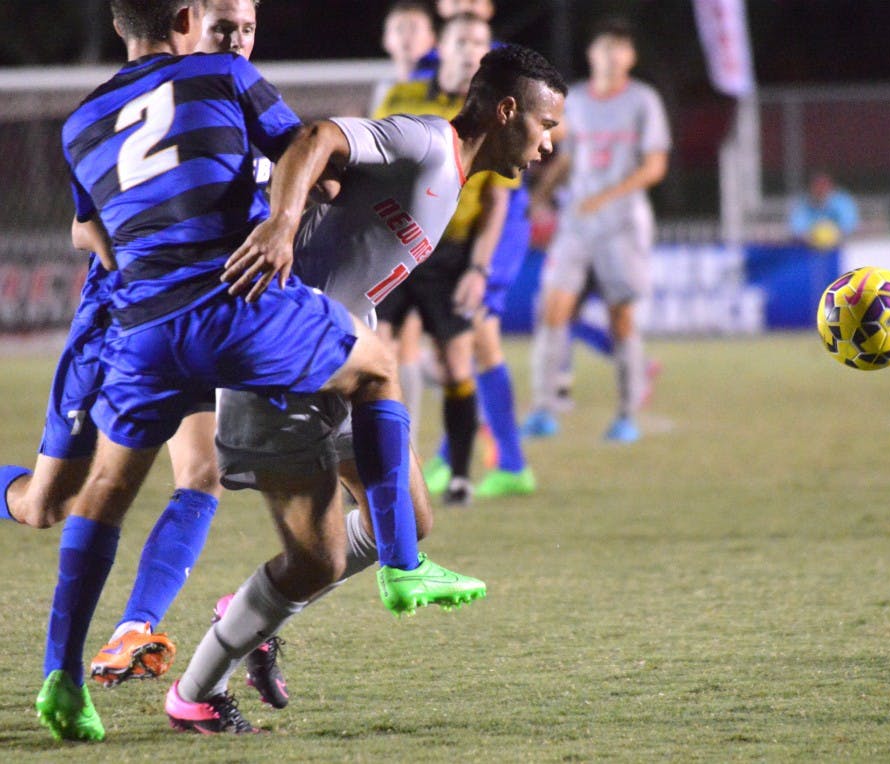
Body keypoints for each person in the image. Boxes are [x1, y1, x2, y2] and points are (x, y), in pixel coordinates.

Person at [35, 0, 483, 742]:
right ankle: (404, 567)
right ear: (188, 17)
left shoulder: (78, 122)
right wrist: (278, 208)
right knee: (377, 366)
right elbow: (317, 164)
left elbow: (94, 233)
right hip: (236, 302)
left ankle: (62, 676)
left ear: (121, 27)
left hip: (141, 325)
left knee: (92, 495)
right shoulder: (222, 76)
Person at [166, 42, 566, 734]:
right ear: (507, 111)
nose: (549, 144)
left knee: (405, 519)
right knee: (316, 559)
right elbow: (318, 137)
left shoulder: (452, 176)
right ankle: (195, 691)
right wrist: (282, 224)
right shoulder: (423, 141)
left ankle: (253, 612)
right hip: (280, 361)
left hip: (339, 359)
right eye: (546, 125)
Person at [1, 0, 260, 699]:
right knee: (45, 506)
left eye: (246, 24)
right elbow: (84, 233)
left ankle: (133, 630)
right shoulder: (148, 105)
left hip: (191, 323)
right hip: (118, 322)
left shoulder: (238, 97)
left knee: (201, 471)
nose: (236, 38)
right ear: (186, 24)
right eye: (222, 25)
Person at [372, 13, 516, 505]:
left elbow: (497, 201)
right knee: (377, 357)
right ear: (444, 46)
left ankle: (457, 475)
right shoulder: (403, 97)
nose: (471, 49)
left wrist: (479, 268)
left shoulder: (496, 113)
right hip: (396, 243)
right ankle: (381, 471)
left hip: (449, 254)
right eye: (462, 40)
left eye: (479, 41)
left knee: (457, 365)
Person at [522, 17, 669, 443]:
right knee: (552, 310)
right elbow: (570, 155)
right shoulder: (579, 100)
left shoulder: (643, 100)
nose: (610, 56)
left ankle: (626, 414)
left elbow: (655, 166)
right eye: (603, 48)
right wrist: (541, 193)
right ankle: (544, 409)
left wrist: (607, 197)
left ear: (630, 57)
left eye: (618, 49)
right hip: (577, 224)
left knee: (620, 318)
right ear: (592, 55)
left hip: (622, 227)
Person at [370, 1, 437, 114]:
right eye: (399, 29)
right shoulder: (383, 89)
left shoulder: (443, 87)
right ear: (386, 39)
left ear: (432, 38)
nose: (406, 36)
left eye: (414, 29)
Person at [788, 170, 859, 250]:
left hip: (841, 248)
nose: (820, 189)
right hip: (809, 248)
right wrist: (812, 238)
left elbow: (849, 225)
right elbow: (797, 228)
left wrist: (832, 237)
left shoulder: (843, 201)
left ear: (830, 186)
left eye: (823, 185)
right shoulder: (803, 204)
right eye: (816, 186)